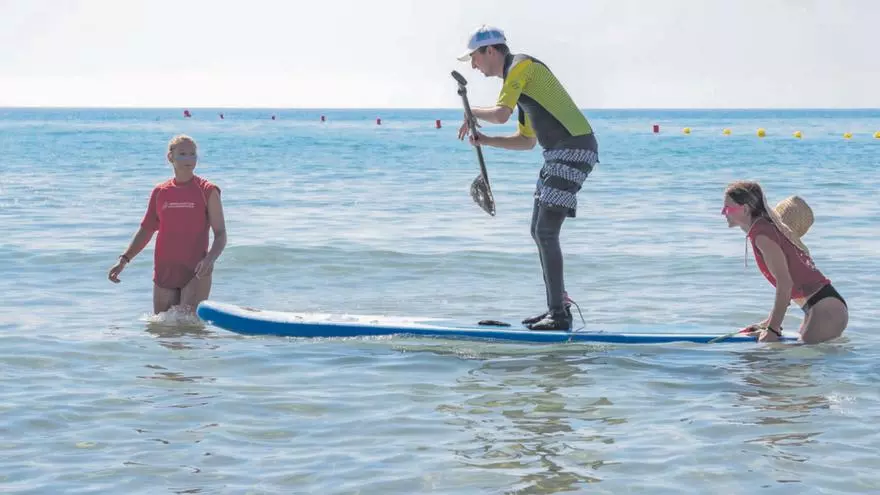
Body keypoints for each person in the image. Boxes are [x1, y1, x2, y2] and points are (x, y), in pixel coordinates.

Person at [456, 25, 599, 331]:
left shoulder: (520, 66)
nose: (474, 66)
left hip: (573, 150)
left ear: (490, 51)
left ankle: (558, 315)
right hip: (558, 154)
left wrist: (470, 111)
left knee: (546, 232)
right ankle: (557, 308)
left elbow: (500, 113)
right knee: (538, 230)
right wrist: (486, 140)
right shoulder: (519, 88)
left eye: (474, 58)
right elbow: (526, 140)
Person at [108, 134, 227, 315]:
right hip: (165, 272)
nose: (189, 159)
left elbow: (220, 234)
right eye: (183, 154)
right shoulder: (160, 192)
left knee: (189, 329)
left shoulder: (207, 190)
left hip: (196, 271)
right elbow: (146, 230)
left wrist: (209, 259)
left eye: (193, 154)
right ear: (170, 157)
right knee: (164, 332)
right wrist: (124, 260)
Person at [722, 180, 847, 343]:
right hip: (820, 308)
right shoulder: (762, 231)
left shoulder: (762, 236)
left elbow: (785, 284)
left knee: (791, 362)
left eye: (728, 207)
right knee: (791, 363)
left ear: (745, 209)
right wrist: (768, 324)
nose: (723, 212)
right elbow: (787, 286)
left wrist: (773, 329)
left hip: (825, 309)